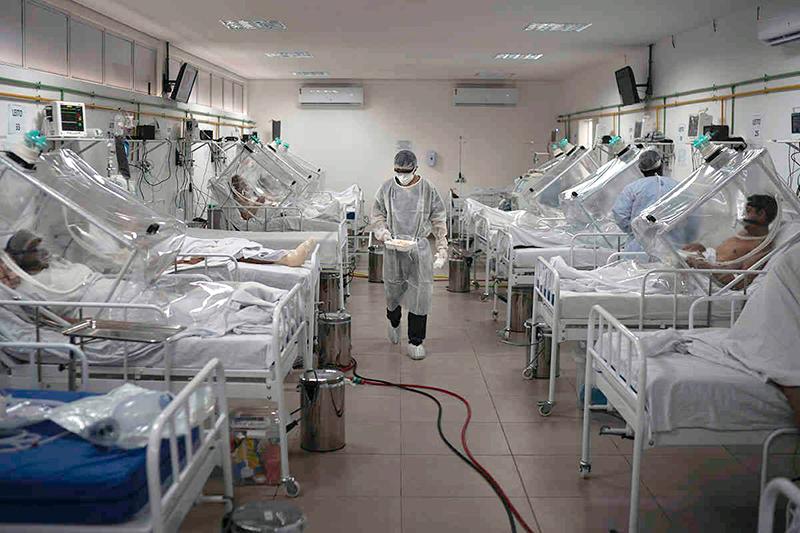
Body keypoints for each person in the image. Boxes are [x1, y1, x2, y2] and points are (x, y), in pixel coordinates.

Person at [371, 150, 448, 360]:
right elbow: (377, 214)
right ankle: (393, 320)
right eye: (398, 171)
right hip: (393, 247)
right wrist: (383, 232)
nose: (402, 175)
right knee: (392, 290)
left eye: (406, 171)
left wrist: (442, 248)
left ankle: (416, 341)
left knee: (420, 294)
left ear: (415, 169)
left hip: (418, 248)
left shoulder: (427, 189)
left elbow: (439, 219)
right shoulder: (387, 188)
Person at [683, 194, 778, 286]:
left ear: (761, 214)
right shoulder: (745, 233)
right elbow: (723, 254)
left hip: (712, 278)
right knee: (685, 252)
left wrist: (707, 266)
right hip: (706, 264)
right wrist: (702, 250)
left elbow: (740, 283)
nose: (743, 216)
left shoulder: (760, 249)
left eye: (748, 211)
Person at [612, 148, 678, 252]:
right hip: (672, 246)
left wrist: (638, 230)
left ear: (641, 169)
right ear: (661, 165)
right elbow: (692, 214)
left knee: (637, 262)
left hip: (639, 247)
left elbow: (620, 214)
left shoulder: (633, 188)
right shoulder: (677, 186)